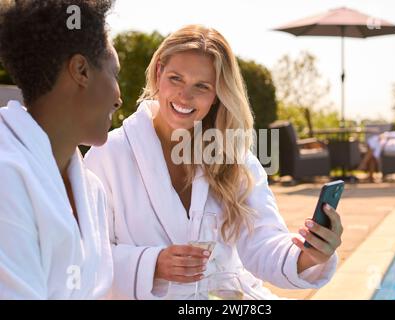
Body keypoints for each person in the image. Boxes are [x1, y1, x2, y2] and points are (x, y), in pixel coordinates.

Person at [85, 24, 343, 300]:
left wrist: (309, 256)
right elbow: (85, 255)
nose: (185, 96)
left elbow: (263, 243)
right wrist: (152, 264)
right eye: (175, 78)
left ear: (217, 93)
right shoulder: (109, 155)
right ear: (159, 72)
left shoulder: (235, 159)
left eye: (202, 86)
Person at [0, 0, 122, 299]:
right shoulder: (5, 175)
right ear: (81, 70)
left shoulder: (91, 189)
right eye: (114, 73)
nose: (119, 98)